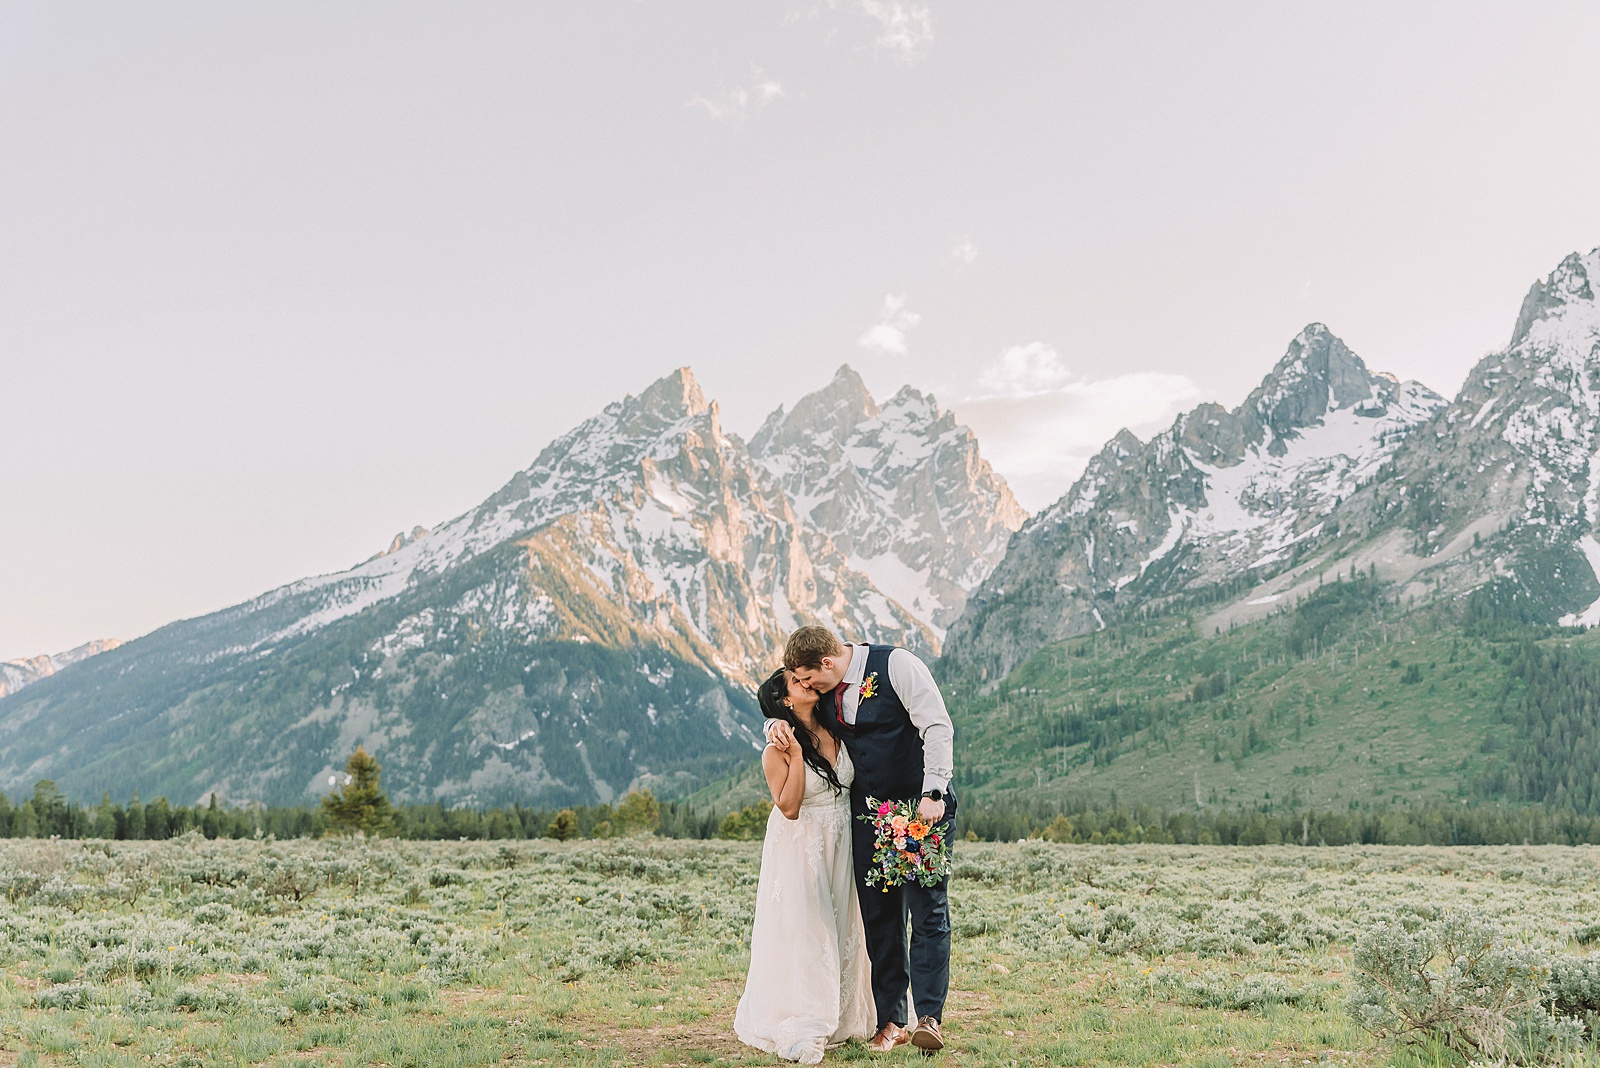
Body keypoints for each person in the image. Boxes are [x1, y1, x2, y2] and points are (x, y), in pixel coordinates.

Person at [766, 625, 956, 1054]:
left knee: (928, 911)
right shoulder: (824, 691)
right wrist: (776, 724)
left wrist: (933, 792)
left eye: (807, 678)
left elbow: (938, 728)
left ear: (828, 664)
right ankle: (892, 1020)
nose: (803, 686)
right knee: (879, 917)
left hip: (920, 811)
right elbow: (801, 714)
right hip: (868, 819)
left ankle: (929, 1017)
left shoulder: (898, 666)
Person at [733, 666, 875, 1064]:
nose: (807, 681)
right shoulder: (776, 749)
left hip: (842, 843)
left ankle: (847, 1012)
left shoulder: (837, 727)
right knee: (808, 928)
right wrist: (795, 754)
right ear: (785, 701)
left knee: (844, 923)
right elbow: (790, 806)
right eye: (796, 681)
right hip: (800, 846)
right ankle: (803, 1018)